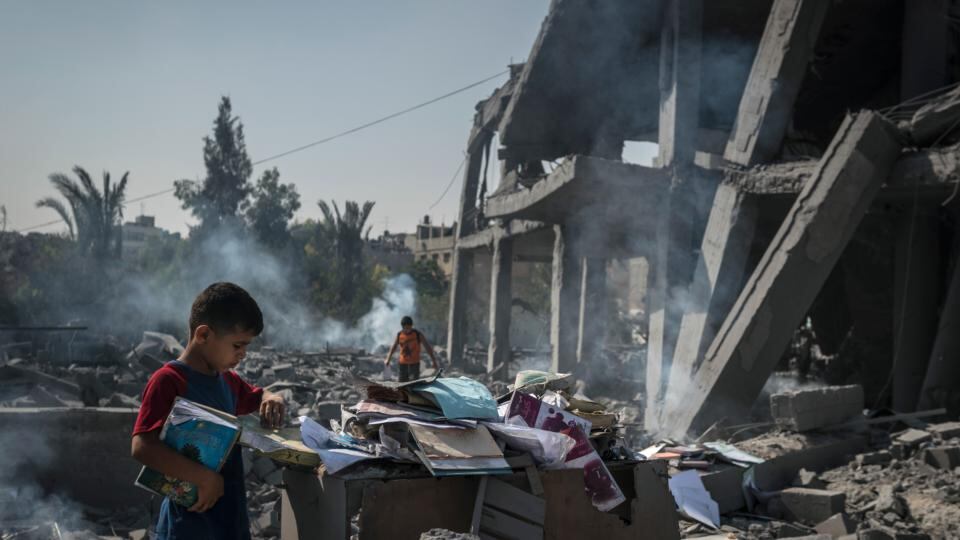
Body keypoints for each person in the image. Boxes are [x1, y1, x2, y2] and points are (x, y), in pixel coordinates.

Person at [131, 282, 286, 540]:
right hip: (188, 524)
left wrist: (272, 397)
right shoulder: (169, 381)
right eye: (237, 346)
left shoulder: (227, 380)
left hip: (228, 518)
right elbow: (142, 446)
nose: (243, 355)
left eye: (246, 347)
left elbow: (257, 396)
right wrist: (204, 478)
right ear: (203, 335)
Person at [384, 315, 440, 382]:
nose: (407, 330)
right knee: (402, 384)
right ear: (402, 327)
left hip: (414, 364)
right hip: (403, 364)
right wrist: (388, 359)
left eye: (409, 328)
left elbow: (427, 347)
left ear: (411, 326)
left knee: (414, 383)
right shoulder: (400, 335)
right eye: (405, 328)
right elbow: (393, 347)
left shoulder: (417, 334)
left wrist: (433, 361)